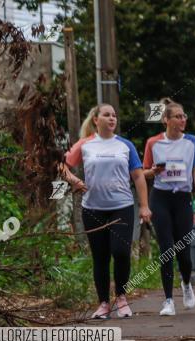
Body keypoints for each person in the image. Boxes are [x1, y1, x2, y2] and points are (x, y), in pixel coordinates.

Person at [62, 103, 149, 319]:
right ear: (96, 120)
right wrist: (74, 180)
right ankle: (103, 304)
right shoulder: (85, 145)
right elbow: (60, 165)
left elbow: (138, 176)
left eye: (114, 116)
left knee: (120, 253)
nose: (112, 118)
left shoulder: (125, 145)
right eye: (106, 115)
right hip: (92, 209)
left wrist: (145, 206)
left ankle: (121, 298)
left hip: (122, 207)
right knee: (100, 258)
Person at [142, 99, 195, 316]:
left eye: (184, 116)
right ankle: (168, 300)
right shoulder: (153, 143)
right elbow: (143, 173)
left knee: (184, 253)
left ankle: (186, 284)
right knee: (167, 250)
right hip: (160, 198)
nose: (182, 120)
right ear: (166, 120)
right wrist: (154, 171)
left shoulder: (192, 142)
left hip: (182, 199)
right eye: (178, 116)